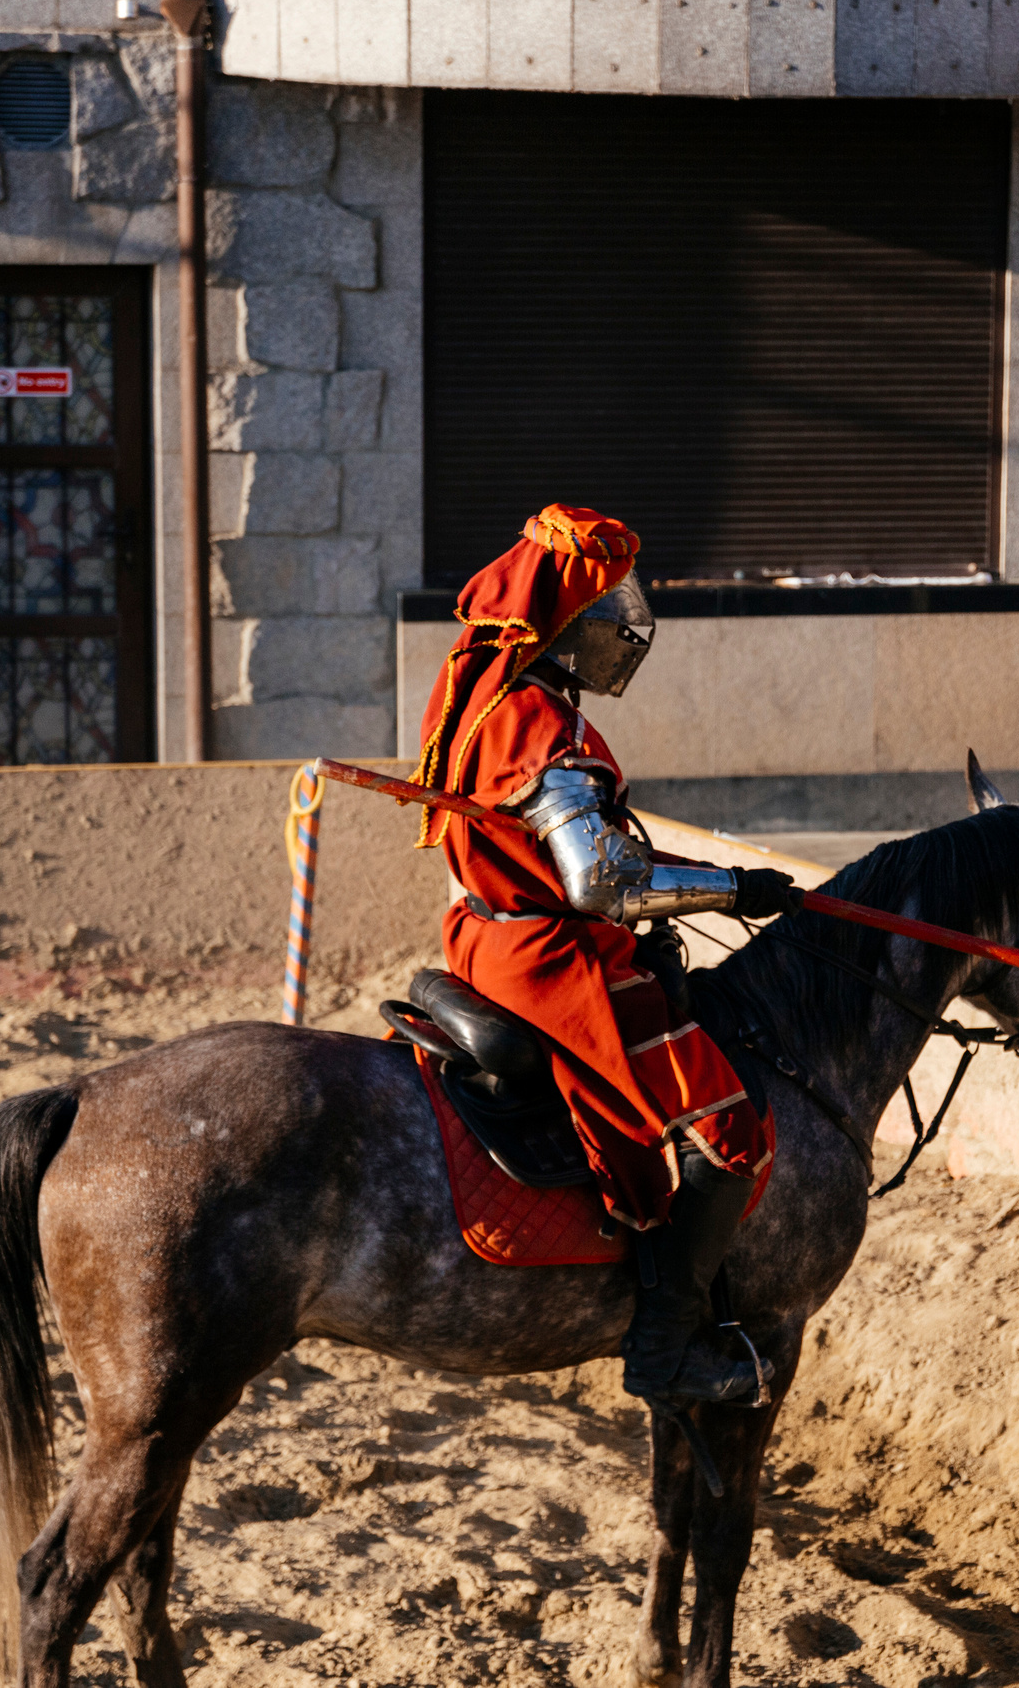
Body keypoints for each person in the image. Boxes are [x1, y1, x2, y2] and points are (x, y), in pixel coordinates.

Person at [410, 504, 801, 1409]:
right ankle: (664, 1349)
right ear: (567, 612)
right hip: (552, 962)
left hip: (484, 932)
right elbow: (602, 881)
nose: (626, 620)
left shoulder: (483, 691)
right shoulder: (543, 724)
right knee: (728, 1129)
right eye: (608, 597)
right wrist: (733, 888)